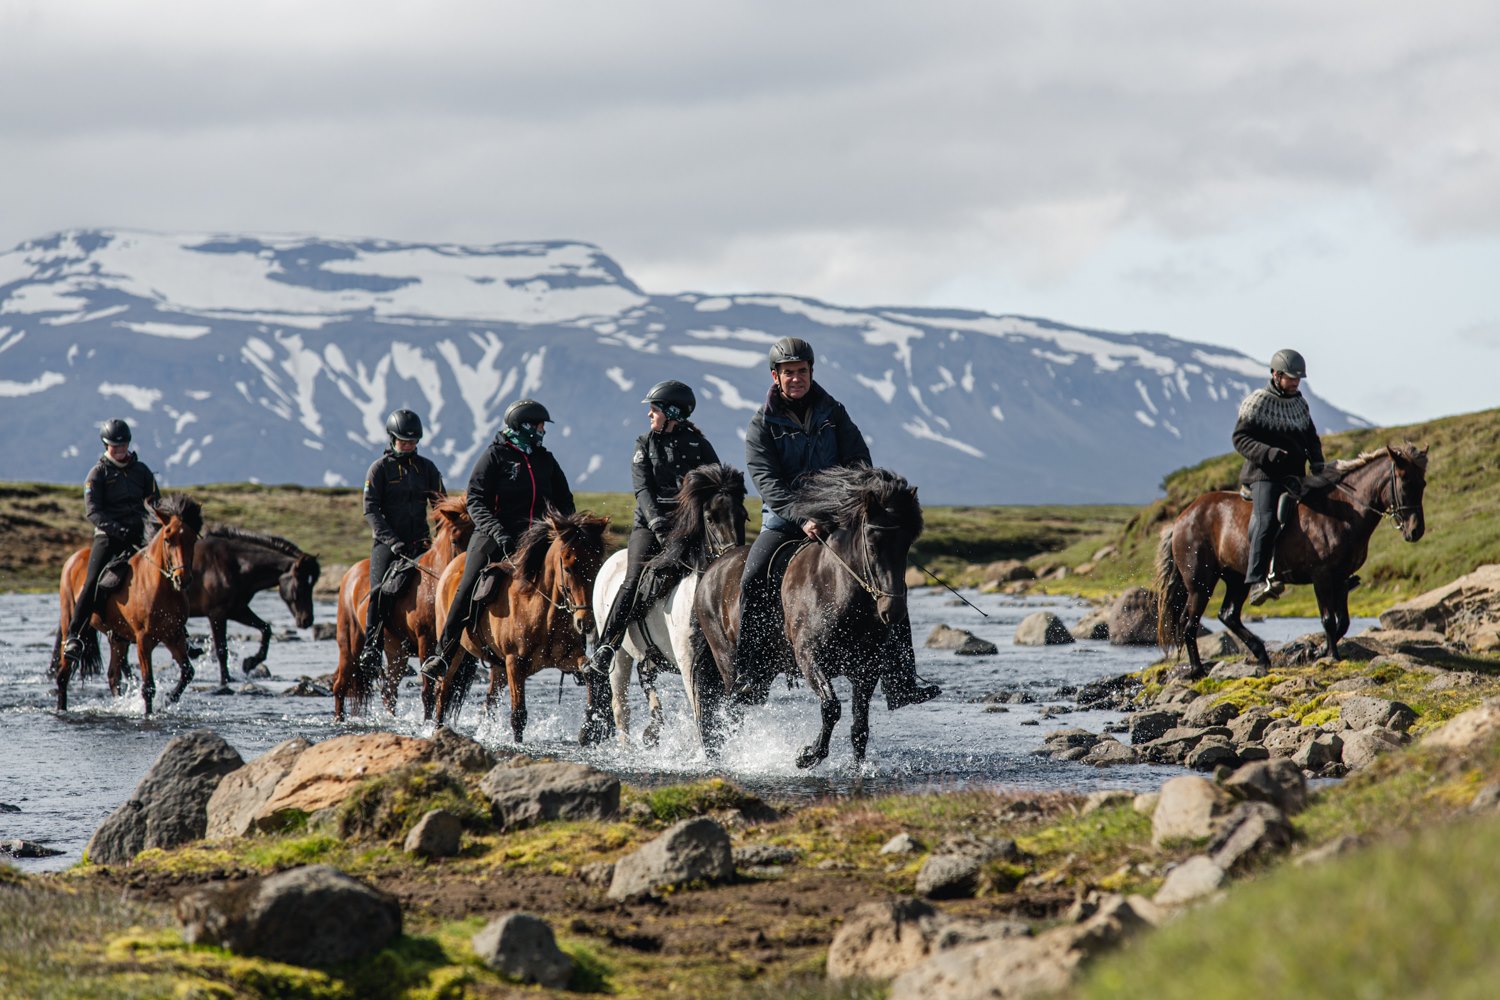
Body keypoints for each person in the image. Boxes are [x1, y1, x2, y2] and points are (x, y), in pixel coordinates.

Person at [735, 337, 940, 710]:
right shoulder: (761, 425)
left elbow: (860, 461)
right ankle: (749, 674)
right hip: (786, 519)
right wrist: (802, 517)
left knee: (889, 580)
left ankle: (902, 681)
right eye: (788, 373)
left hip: (840, 517)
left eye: (801, 372)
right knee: (752, 578)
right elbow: (766, 481)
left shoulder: (835, 413)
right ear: (775, 376)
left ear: (811, 372)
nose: (796, 379)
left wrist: (860, 503)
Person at [421, 399, 574, 679]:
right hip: (492, 535)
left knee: (572, 577)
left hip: (537, 537)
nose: (543, 430)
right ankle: (443, 654)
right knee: (466, 586)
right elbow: (476, 500)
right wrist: (496, 530)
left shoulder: (545, 460)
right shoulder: (494, 456)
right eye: (539, 425)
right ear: (524, 427)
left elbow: (565, 500)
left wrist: (563, 529)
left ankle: (575, 649)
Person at [587, 379, 720, 674]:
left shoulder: (701, 446)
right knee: (632, 579)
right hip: (650, 527)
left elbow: (717, 485)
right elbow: (643, 490)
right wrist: (659, 524)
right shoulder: (643, 444)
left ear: (672, 412)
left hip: (690, 528)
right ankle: (606, 647)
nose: (649, 414)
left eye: (654, 409)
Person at [1232, 348, 1326, 605]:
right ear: (1276, 374)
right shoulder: (1257, 402)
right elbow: (1239, 438)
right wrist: (1267, 453)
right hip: (1264, 476)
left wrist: (1317, 461)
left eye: (1299, 378)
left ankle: (1334, 573)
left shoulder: (1300, 404)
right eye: (1291, 377)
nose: (1296, 382)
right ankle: (1256, 581)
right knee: (1267, 520)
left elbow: (1311, 438)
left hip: (1295, 475)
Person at [62, 419, 160, 660]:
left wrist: (153, 528)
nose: (120, 450)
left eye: (123, 445)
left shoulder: (143, 471)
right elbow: (93, 512)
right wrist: (117, 530)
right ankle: (74, 635)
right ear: (105, 445)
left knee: (165, 572)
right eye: (114, 446)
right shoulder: (97, 474)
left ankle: (181, 633)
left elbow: (155, 502)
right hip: (109, 537)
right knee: (92, 580)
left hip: (139, 535)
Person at [358, 408, 446, 670]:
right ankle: (372, 648)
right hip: (387, 544)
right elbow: (370, 509)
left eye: (413, 441)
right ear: (392, 439)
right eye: (403, 441)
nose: (408, 445)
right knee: (378, 591)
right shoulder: (379, 470)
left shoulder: (427, 468)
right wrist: (391, 540)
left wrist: (442, 537)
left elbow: (440, 505)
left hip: (421, 542)